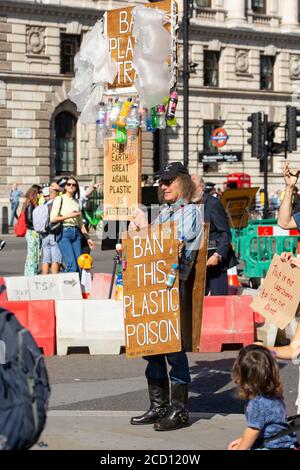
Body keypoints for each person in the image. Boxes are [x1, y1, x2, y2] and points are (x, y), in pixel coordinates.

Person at [129, 162, 203, 431]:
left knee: (173, 349)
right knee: (152, 347)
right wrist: (138, 230)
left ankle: (179, 410)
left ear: (182, 182)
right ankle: (159, 405)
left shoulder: (190, 212)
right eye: (160, 182)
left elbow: (173, 246)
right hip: (155, 285)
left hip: (174, 285)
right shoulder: (166, 212)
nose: (162, 186)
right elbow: (150, 245)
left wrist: (147, 228)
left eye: (168, 181)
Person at [228, 344, 296, 450]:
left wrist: (240, 447)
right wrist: (242, 440)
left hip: (270, 446)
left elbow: (253, 431)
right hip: (282, 442)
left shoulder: (257, 402)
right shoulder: (273, 394)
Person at [192, 175, 237, 295]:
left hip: (214, 261)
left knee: (219, 297)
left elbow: (225, 233)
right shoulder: (187, 205)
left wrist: (218, 255)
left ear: (201, 187)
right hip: (196, 261)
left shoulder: (213, 204)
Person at [50, 176, 95, 273]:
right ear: (65, 187)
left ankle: (76, 287)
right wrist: (69, 216)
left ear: (76, 188)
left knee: (79, 266)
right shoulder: (59, 199)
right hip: (64, 233)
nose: (71, 186)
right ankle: (65, 286)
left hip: (76, 234)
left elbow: (80, 224)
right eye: (68, 184)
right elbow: (53, 219)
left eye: (74, 185)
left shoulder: (76, 202)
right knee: (72, 266)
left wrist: (88, 238)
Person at [40, 184, 62, 275]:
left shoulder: (43, 204)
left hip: (44, 234)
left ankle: (44, 278)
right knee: (55, 259)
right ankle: (54, 279)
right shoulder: (55, 203)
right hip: (54, 233)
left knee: (45, 259)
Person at [23, 185, 42, 276]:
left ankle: (31, 273)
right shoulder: (30, 204)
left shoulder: (32, 203)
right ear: (35, 193)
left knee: (34, 255)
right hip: (32, 232)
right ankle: (31, 275)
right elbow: (29, 219)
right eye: (39, 192)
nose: (40, 194)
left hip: (33, 232)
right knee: (32, 255)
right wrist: (38, 226)